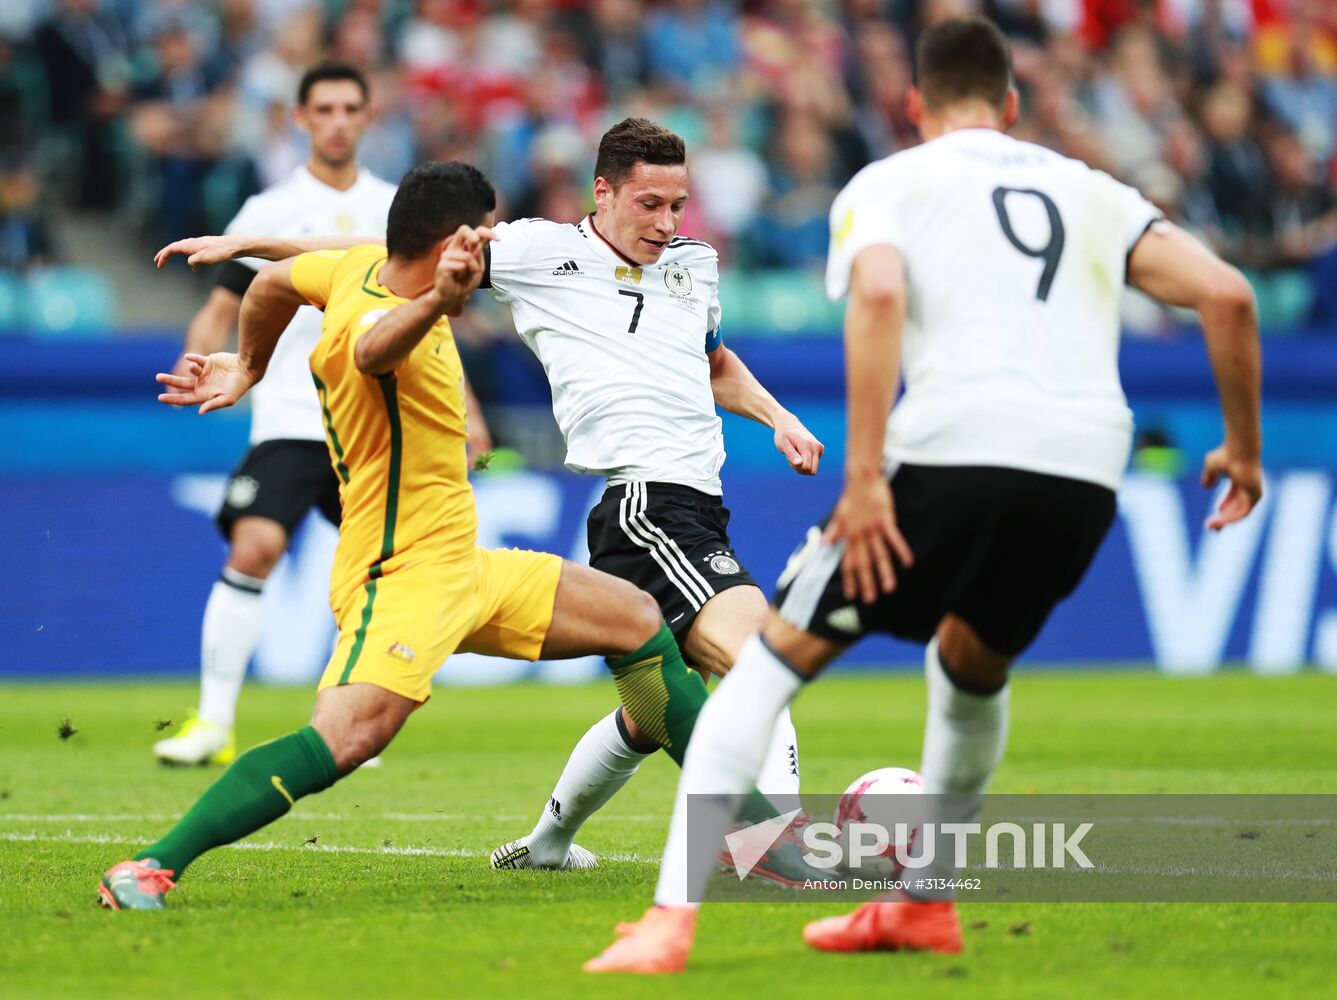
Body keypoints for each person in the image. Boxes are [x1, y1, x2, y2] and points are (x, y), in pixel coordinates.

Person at [585, 16, 1264, 974]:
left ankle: (667, 923)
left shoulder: (891, 183)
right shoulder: (1090, 191)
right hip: (1079, 475)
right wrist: (1241, 449)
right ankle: (922, 907)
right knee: (969, 668)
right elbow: (1228, 295)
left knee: (770, 666)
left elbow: (875, 300)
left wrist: (864, 477)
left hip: (950, 454)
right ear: (1014, 104)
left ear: (913, 104)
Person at [99, 162, 788, 911]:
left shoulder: (355, 264)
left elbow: (275, 283)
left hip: (463, 563)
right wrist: (439, 300)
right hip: (398, 574)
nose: (491, 241)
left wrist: (251, 365)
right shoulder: (378, 319)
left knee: (635, 620)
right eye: (483, 231)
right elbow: (370, 352)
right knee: (346, 740)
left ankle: (757, 835)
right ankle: (151, 865)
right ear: (453, 240)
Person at [478, 117, 824, 871]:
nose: (667, 224)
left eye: (678, 204)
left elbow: (715, 361)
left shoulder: (693, 264)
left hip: (698, 506)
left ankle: (547, 843)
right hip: (642, 506)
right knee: (763, 661)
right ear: (601, 192)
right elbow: (398, 258)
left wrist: (778, 417)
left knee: (648, 716)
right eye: (648, 205)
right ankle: (786, 846)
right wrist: (266, 258)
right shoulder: (541, 252)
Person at [154, 62, 401, 766]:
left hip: (372, 425)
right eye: (322, 109)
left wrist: (468, 409)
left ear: (366, 117)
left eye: (349, 108)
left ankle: (358, 721)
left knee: (380, 575)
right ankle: (212, 723)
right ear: (299, 118)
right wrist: (199, 357)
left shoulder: (396, 210)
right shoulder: (266, 211)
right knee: (254, 546)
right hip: (292, 417)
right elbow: (225, 302)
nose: (337, 121)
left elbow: (428, 318)